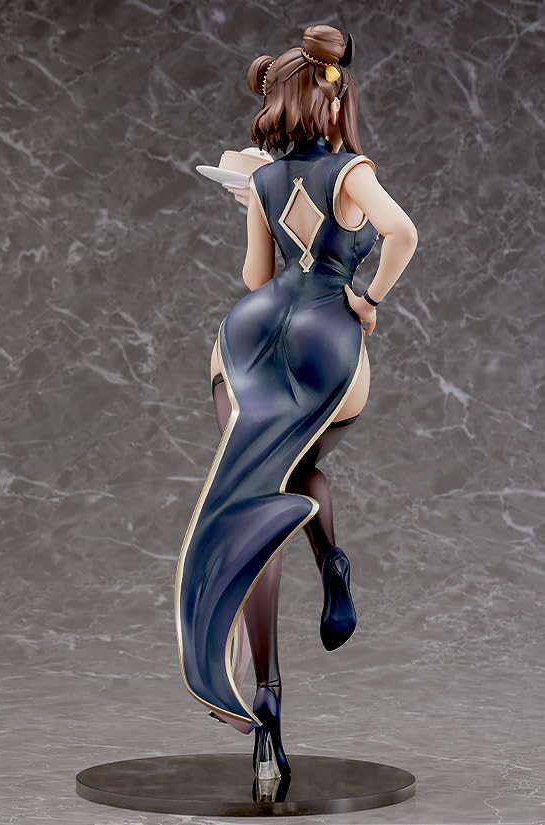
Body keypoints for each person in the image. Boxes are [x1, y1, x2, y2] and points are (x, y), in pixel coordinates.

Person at [175, 24, 418, 783]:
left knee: (255, 496)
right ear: (333, 98)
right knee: (287, 478)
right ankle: (332, 564)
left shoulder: (267, 181)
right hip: (324, 338)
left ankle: (265, 700)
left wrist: (257, 199)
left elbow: (255, 277)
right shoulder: (351, 172)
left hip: (248, 337)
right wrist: (367, 298)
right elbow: (402, 232)